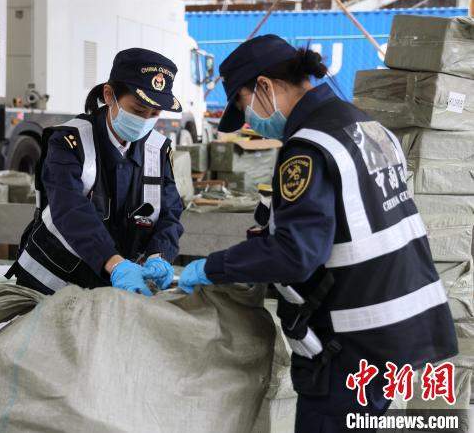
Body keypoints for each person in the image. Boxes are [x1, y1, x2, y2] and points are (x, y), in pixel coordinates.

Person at [178, 35, 458, 432]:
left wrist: (212, 267)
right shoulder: (364, 124)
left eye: (243, 104)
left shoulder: (308, 146)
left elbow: (296, 254)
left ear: (264, 86)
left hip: (354, 338)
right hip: (401, 323)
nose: (249, 121)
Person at [7, 48, 184, 296]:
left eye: (154, 114)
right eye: (138, 110)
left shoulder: (157, 149)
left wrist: (160, 254)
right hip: (52, 283)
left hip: (113, 287)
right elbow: (69, 208)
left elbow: (170, 211)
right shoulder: (69, 142)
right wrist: (115, 264)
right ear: (109, 95)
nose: (145, 120)